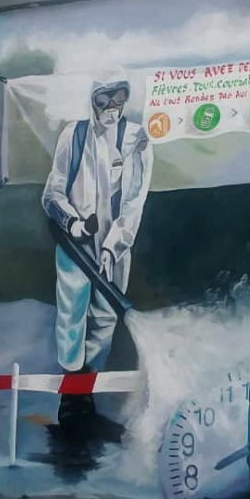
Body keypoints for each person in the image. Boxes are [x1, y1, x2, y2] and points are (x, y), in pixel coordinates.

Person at [42, 69, 153, 432]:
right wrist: (75, 224)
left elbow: (135, 201)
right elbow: (53, 193)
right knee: (72, 315)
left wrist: (113, 244)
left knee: (105, 319)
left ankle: (86, 383)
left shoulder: (136, 139)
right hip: (76, 243)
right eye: (105, 98)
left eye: (119, 97)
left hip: (115, 245)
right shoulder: (73, 136)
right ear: (93, 100)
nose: (112, 106)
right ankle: (71, 394)